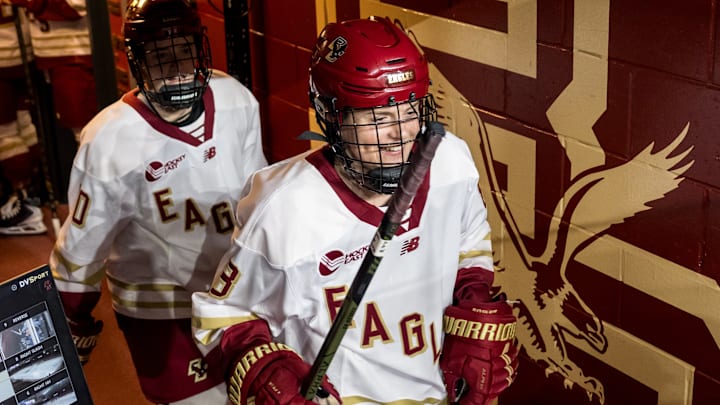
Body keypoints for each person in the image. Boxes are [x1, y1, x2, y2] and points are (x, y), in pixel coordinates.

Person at [192, 16, 519, 404]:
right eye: (378, 118)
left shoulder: (450, 162)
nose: (401, 134)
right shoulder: (285, 208)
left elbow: (470, 246)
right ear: (331, 116)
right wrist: (265, 372)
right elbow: (222, 314)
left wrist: (473, 297)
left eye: (411, 110)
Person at [48, 0, 267, 404]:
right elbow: (83, 243)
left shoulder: (236, 100)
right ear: (138, 63)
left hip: (237, 300)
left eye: (184, 51)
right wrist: (70, 312)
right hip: (163, 316)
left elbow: (258, 198)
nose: (177, 68)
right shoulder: (109, 137)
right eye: (160, 57)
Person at [6, 0, 97, 143]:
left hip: (75, 54)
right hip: (57, 55)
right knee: (81, 130)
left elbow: (77, 5)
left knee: (89, 133)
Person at [0, 4, 45, 235]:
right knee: (23, 124)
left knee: (5, 132)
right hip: (21, 48)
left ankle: (22, 200)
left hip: (5, 52)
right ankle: (26, 195)